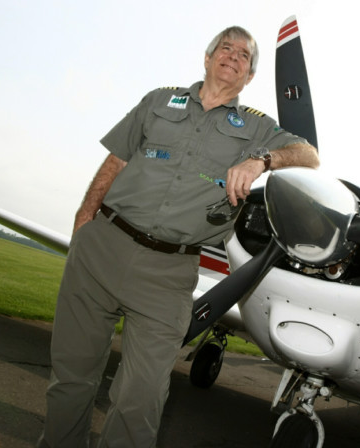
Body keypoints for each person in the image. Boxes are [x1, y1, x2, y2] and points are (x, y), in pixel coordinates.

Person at [37, 25, 320, 447]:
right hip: (102, 246)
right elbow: (116, 159)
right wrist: (84, 216)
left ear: (249, 77)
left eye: (244, 56)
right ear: (207, 59)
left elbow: (309, 157)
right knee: (71, 377)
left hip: (169, 272)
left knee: (141, 399)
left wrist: (262, 160)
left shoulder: (258, 128)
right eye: (225, 48)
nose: (233, 56)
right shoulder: (158, 100)